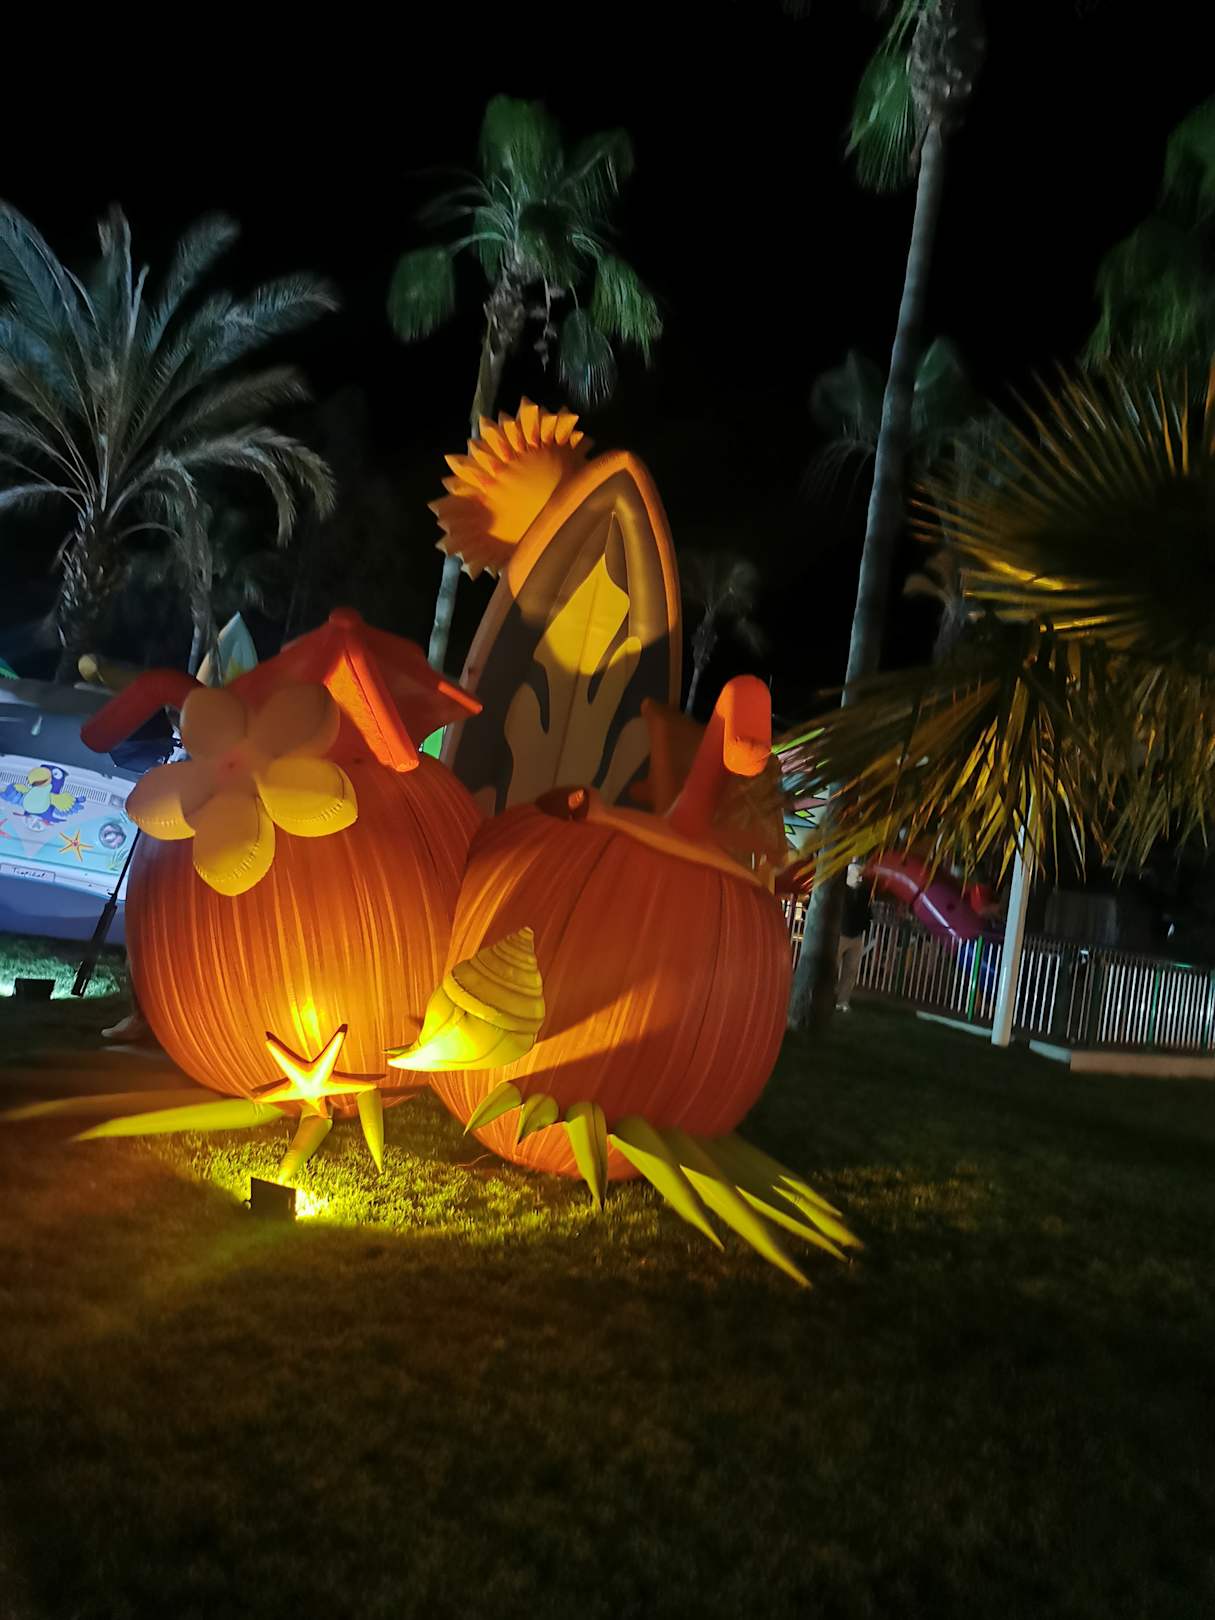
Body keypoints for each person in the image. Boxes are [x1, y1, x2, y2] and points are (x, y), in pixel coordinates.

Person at [836, 861, 872, 1011]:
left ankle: (843, 1000)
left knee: (850, 971)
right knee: (835, 968)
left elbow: (867, 912)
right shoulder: (842, 891)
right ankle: (831, 997)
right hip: (842, 933)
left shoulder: (863, 892)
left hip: (855, 935)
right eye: (858, 875)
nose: (860, 879)